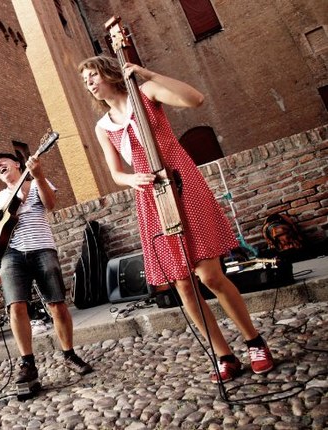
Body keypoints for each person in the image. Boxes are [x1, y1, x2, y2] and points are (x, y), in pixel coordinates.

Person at [78, 56, 274, 383]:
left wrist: (146, 73)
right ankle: (224, 355)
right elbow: (116, 173)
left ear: (110, 73)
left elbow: (195, 99)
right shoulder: (103, 127)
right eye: (85, 80)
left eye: (93, 75)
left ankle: (255, 342)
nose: (90, 83)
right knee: (183, 284)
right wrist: (132, 179)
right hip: (152, 197)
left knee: (210, 276)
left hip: (183, 183)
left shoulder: (146, 93)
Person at [0, 152, 93, 387]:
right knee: (16, 306)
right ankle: (28, 363)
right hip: (11, 254)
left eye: (3, 162)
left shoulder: (37, 183)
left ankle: (69, 355)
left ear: (18, 164)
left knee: (57, 303)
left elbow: (50, 204)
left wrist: (39, 175)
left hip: (42, 248)